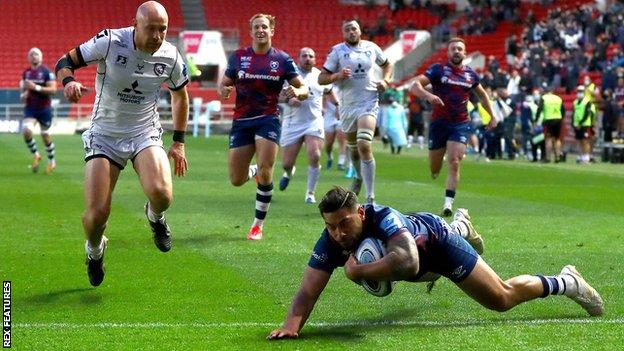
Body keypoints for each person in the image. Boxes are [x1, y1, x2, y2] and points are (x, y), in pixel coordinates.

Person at [267, 187, 604, 340]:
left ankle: (567, 280)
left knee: (501, 298)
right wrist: (291, 326)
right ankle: (463, 226)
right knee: (417, 269)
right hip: (416, 252)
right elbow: (307, 292)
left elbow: (408, 263)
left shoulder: (382, 217)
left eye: (344, 224)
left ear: (359, 212)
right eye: (330, 226)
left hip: (436, 245)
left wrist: (358, 271)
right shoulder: (331, 239)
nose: (338, 233)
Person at [55, 1, 190, 286]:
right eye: (151, 29)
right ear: (135, 24)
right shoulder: (110, 41)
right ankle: (94, 250)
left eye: (162, 30)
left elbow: (180, 95)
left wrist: (178, 142)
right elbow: (65, 62)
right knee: (97, 215)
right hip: (104, 134)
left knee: (162, 193)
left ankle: (155, 217)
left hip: (144, 131)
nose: (157, 36)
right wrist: (68, 83)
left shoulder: (171, 55)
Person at [220, 13, 308, 240]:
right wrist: (224, 90)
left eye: (264, 27)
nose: (261, 30)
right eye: (257, 27)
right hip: (242, 122)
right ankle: (253, 172)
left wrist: (296, 91)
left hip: (268, 118)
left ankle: (257, 225)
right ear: (251, 32)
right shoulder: (238, 57)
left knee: (267, 169)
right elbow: (225, 83)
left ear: (272, 31)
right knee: (236, 180)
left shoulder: (282, 59)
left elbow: (304, 88)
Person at [409, 37, 496, 216]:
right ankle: (436, 164)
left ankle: (448, 203)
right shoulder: (437, 70)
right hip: (439, 124)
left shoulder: (471, 75)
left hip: (460, 124)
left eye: (460, 49)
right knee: (434, 169)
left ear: (465, 53)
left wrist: (492, 116)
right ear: (448, 53)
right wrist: (428, 96)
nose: (457, 51)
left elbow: (482, 96)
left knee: (455, 161)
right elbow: (414, 85)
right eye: (453, 49)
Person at [319, 19, 394, 204]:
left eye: (354, 28)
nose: (351, 32)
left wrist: (385, 81)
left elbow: (387, 65)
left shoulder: (371, 47)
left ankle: (370, 196)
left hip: (368, 101)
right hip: (347, 106)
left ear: (360, 30)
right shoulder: (337, 51)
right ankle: (358, 177)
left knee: (364, 145)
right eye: (347, 29)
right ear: (343, 33)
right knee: (354, 150)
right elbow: (322, 78)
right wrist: (337, 75)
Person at [278, 47, 331, 203]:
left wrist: (336, 106)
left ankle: (310, 193)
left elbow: (329, 90)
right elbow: (277, 96)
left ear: (315, 59)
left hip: (313, 121)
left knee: (315, 155)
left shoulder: (319, 76)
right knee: (286, 163)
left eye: (311, 56)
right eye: (304, 56)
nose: (307, 58)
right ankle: (288, 173)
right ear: (298, 58)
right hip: (292, 122)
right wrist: (288, 100)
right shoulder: (289, 75)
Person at [20, 47, 58, 174]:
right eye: (31, 54)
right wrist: (24, 94)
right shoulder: (26, 72)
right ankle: (36, 154)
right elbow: (26, 88)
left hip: (44, 109)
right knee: (26, 131)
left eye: (36, 54)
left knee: (45, 136)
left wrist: (35, 87)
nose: (34, 56)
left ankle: (52, 162)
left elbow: (53, 90)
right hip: (31, 108)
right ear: (28, 58)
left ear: (40, 57)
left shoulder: (47, 72)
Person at [535, 84, 565, 163]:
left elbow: (539, 109)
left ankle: (548, 158)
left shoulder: (544, 98)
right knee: (557, 139)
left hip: (549, 119)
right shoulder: (558, 98)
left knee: (548, 139)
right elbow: (563, 110)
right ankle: (558, 157)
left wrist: (536, 120)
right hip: (558, 119)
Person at [323, 87, 346, 170]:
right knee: (329, 143)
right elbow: (324, 96)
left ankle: (340, 163)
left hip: (341, 114)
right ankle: (329, 157)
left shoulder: (344, 82)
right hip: (329, 116)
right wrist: (324, 108)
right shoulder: (329, 83)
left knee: (342, 140)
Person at [572, 85, 597, 164]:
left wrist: (581, 123)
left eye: (581, 92)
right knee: (580, 141)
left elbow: (587, 114)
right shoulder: (575, 102)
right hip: (577, 125)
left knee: (585, 141)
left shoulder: (587, 101)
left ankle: (586, 157)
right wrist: (574, 123)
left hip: (585, 124)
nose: (579, 93)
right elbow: (574, 113)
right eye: (578, 91)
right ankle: (581, 156)